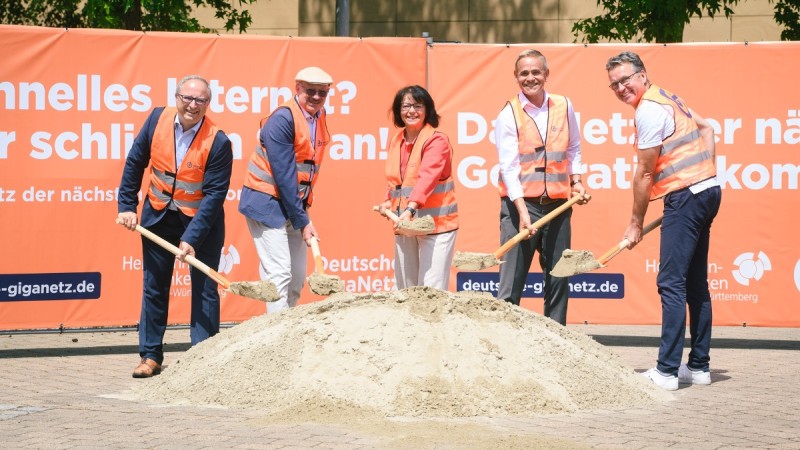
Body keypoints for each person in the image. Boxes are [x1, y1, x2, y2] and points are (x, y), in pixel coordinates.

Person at [606, 51, 721, 391]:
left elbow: (644, 172)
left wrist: (635, 223)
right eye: (614, 84)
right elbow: (708, 127)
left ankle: (667, 371)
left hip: (688, 197)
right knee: (695, 283)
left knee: (671, 283)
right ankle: (698, 368)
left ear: (642, 75)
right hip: (707, 190)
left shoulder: (650, 110)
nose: (620, 87)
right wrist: (704, 173)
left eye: (626, 79)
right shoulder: (666, 96)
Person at [117, 75, 233, 378]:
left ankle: (202, 360)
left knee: (206, 289)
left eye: (200, 100)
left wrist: (192, 237)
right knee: (154, 287)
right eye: (187, 98)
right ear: (176, 97)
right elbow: (135, 161)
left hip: (200, 222)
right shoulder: (157, 119)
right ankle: (150, 356)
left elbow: (214, 196)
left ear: (208, 104)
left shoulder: (218, 141)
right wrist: (127, 205)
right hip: (158, 215)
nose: (192, 105)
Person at [493, 49, 588, 326]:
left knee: (558, 276)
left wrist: (577, 181)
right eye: (524, 73)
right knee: (512, 281)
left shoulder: (563, 105)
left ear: (546, 74)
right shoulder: (509, 114)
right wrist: (522, 212)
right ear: (516, 77)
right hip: (520, 206)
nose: (530, 78)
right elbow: (509, 168)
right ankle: (506, 339)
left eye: (536, 72)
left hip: (559, 205)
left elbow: (573, 148)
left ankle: (557, 338)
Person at [239, 67, 333, 313]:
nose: (315, 97)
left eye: (321, 93)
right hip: (266, 201)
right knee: (279, 273)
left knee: (296, 278)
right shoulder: (283, 118)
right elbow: (283, 175)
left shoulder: (319, 117)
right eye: (310, 91)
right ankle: (275, 338)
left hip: (293, 204)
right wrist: (303, 221)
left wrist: (301, 214)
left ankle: (287, 332)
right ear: (297, 89)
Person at [377, 85, 459, 290]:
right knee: (406, 288)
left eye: (417, 106)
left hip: (436, 224)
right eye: (406, 106)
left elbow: (427, 178)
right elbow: (397, 181)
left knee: (431, 290)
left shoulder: (436, 140)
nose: (411, 111)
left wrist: (411, 208)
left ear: (427, 110)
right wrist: (389, 201)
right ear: (398, 111)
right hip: (404, 224)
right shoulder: (396, 140)